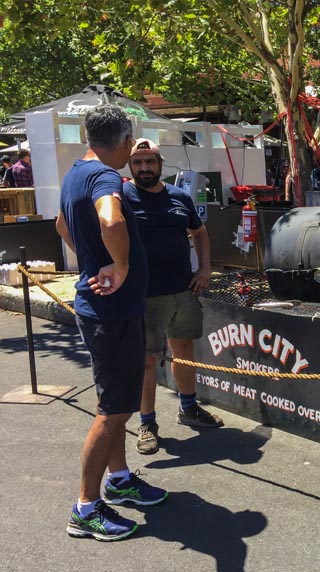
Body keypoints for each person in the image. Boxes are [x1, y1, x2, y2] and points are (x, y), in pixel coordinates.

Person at [55, 105, 166, 542]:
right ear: (123, 141)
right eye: (130, 146)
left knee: (116, 405)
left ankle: (118, 478)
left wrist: (93, 261)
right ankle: (85, 508)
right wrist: (117, 265)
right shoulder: (104, 177)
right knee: (112, 412)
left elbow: (65, 223)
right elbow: (109, 218)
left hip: (107, 311)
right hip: (111, 313)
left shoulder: (75, 173)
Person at [123, 138, 222, 456]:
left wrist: (205, 268)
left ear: (160, 164)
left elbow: (199, 232)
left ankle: (189, 408)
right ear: (131, 166)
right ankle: (147, 423)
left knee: (184, 350)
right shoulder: (121, 196)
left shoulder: (179, 197)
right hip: (145, 295)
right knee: (147, 360)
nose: (144, 168)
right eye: (138, 163)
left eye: (149, 161)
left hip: (183, 290)